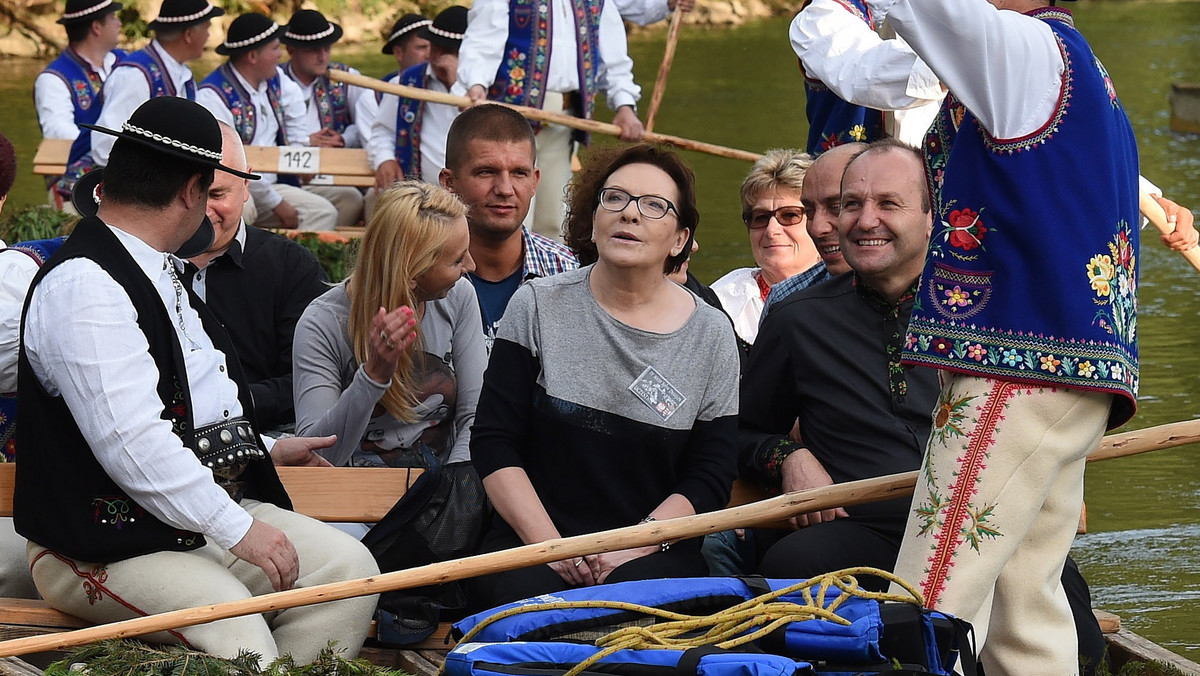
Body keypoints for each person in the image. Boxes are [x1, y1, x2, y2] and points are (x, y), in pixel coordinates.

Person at [849, 0, 1158, 672]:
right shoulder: (1076, 66)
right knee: (1026, 604)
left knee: (929, 600)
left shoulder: (1022, 47)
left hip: (1017, 370)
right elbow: (868, 64)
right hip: (1078, 375)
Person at [14, 96, 379, 663]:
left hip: (192, 519)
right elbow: (133, 442)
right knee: (239, 634)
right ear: (189, 192)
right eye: (209, 190)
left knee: (351, 575)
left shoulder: (157, 267)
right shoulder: (84, 288)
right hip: (100, 546)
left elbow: (192, 412)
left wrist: (267, 448)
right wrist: (237, 529)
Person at [468, 144, 739, 611]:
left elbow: (709, 475)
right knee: (525, 612)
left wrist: (631, 547)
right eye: (614, 199)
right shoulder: (537, 305)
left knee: (658, 617)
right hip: (534, 546)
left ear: (679, 239)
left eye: (654, 206)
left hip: (652, 552)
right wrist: (554, 549)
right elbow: (494, 443)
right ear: (593, 221)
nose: (629, 215)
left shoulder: (712, 334)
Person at [739, 139, 936, 591]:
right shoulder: (797, 318)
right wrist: (790, 457)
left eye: (888, 203)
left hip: (977, 525)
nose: (865, 220)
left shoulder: (984, 312)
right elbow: (741, 431)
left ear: (931, 217)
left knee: (1072, 620)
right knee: (791, 566)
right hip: (863, 531)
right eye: (851, 205)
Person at [292, 182, 487, 536]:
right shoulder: (323, 323)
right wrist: (372, 378)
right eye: (457, 259)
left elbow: (476, 414)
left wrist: (452, 496)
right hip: (352, 503)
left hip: (441, 492)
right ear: (413, 274)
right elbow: (316, 459)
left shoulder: (458, 296)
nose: (471, 266)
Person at [458, 0, 646, 239]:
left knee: (555, 221)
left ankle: (547, 275)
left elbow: (614, 56)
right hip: (509, 120)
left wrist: (625, 105)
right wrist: (475, 84)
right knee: (507, 214)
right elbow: (482, 41)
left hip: (565, 120)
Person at [187, 122, 330, 433]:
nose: (202, 210)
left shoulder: (291, 266)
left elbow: (312, 377)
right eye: (191, 194)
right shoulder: (149, 261)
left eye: (216, 194)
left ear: (246, 185)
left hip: (267, 436)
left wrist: (226, 404)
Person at [437, 104, 577, 350]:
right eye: (486, 172)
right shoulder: (416, 273)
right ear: (449, 182)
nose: (504, 189)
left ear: (535, 182)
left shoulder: (569, 273)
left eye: (519, 173)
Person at [196, 13, 340, 232]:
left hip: (273, 183)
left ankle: (293, 265)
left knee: (323, 212)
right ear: (253, 56)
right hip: (233, 187)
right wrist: (277, 204)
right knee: (243, 209)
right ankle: (238, 264)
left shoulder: (276, 80)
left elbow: (296, 123)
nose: (280, 55)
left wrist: (301, 158)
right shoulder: (212, 96)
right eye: (274, 48)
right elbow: (233, 168)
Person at [789, 0, 942, 154]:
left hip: (932, 170)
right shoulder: (820, 15)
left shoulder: (937, 11)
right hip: (846, 174)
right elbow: (866, 74)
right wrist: (952, 67)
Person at [710, 149, 822, 352]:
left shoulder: (854, 295)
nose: (771, 230)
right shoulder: (720, 303)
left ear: (818, 221)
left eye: (789, 215)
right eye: (760, 217)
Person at [91, 0, 223, 167]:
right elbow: (105, 146)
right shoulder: (136, 75)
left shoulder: (182, 75)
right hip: (108, 186)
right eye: (207, 28)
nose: (208, 35)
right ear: (189, 34)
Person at [367, 5, 468, 212]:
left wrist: (456, 85)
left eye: (450, 51)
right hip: (419, 196)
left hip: (473, 197)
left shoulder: (484, 88)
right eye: (437, 47)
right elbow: (381, 130)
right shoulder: (406, 82)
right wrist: (384, 158)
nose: (440, 56)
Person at [279, 9, 369, 229]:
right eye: (313, 50)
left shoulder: (347, 77)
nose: (323, 57)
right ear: (291, 50)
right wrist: (306, 141)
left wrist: (344, 139)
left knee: (352, 199)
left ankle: (326, 251)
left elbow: (369, 124)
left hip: (333, 174)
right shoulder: (274, 82)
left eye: (327, 49)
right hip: (287, 176)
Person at [34, 0, 126, 208]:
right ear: (96, 27)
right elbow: (61, 135)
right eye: (113, 17)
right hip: (80, 184)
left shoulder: (126, 64)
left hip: (129, 171)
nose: (119, 23)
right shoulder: (54, 79)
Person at [760, 142, 865, 315]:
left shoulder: (923, 293)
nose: (817, 228)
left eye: (837, 207)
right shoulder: (784, 303)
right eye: (809, 212)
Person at [353, 13, 431, 141]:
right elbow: (377, 149)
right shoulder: (373, 99)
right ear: (399, 53)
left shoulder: (446, 88)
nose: (429, 55)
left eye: (433, 47)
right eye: (421, 47)